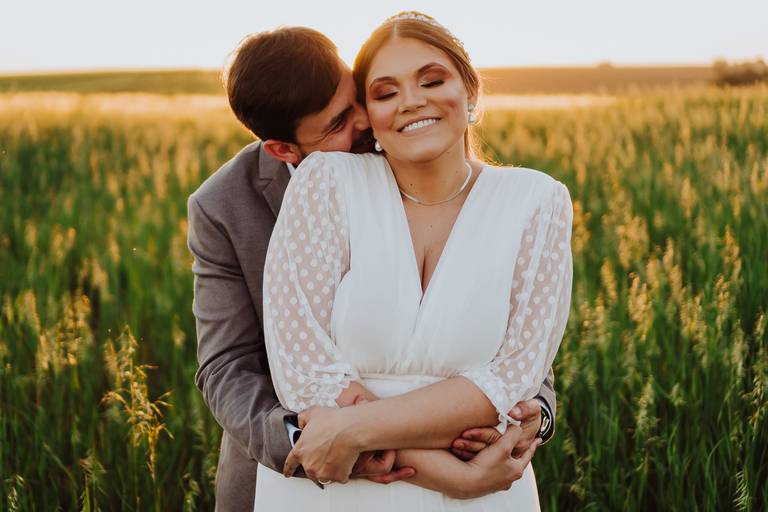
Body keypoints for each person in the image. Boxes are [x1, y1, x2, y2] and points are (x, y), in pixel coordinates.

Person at [187, 23, 558, 512]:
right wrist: (349, 447)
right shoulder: (224, 206)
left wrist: (535, 412)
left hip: (481, 466)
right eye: (338, 123)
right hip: (308, 473)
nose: (366, 122)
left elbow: (506, 324)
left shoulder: (430, 155)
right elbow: (227, 366)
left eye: (360, 98)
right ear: (284, 149)